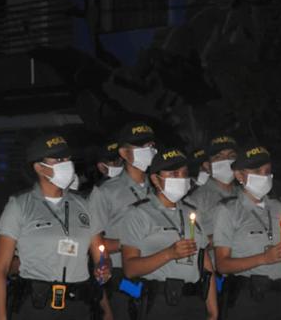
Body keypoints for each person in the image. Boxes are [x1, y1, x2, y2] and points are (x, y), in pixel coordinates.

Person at [0, 133, 110, 320]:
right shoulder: (20, 205)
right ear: (39, 167)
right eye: (59, 159)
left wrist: (104, 267)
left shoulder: (85, 205)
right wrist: (0, 316)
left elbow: (100, 255)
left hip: (79, 305)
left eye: (67, 158)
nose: (66, 164)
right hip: (36, 305)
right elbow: (0, 269)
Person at [120, 147, 218, 319]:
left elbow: (206, 265)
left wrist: (213, 312)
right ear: (155, 179)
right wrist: (169, 254)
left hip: (193, 303)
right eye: (173, 174)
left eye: (184, 173)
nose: (181, 178)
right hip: (158, 304)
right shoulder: (138, 213)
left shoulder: (191, 213)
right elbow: (130, 269)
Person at [213, 144, 281, 320]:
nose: (263, 176)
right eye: (256, 171)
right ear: (239, 175)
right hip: (247, 299)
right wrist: (263, 259)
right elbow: (222, 265)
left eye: (267, 170)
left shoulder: (279, 207)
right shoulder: (228, 210)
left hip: (280, 298)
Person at [88, 121, 157, 319]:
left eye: (150, 145)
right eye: (140, 147)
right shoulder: (105, 192)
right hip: (123, 278)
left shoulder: (160, 188)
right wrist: (131, 243)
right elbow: (95, 244)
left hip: (158, 274)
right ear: (125, 153)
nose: (148, 150)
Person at [187, 135, 240, 246]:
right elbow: (192, 242)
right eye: (219, 157)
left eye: (231, 156)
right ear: (207, 165)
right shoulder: (196, 199)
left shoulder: (245, 194)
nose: (226, 161)